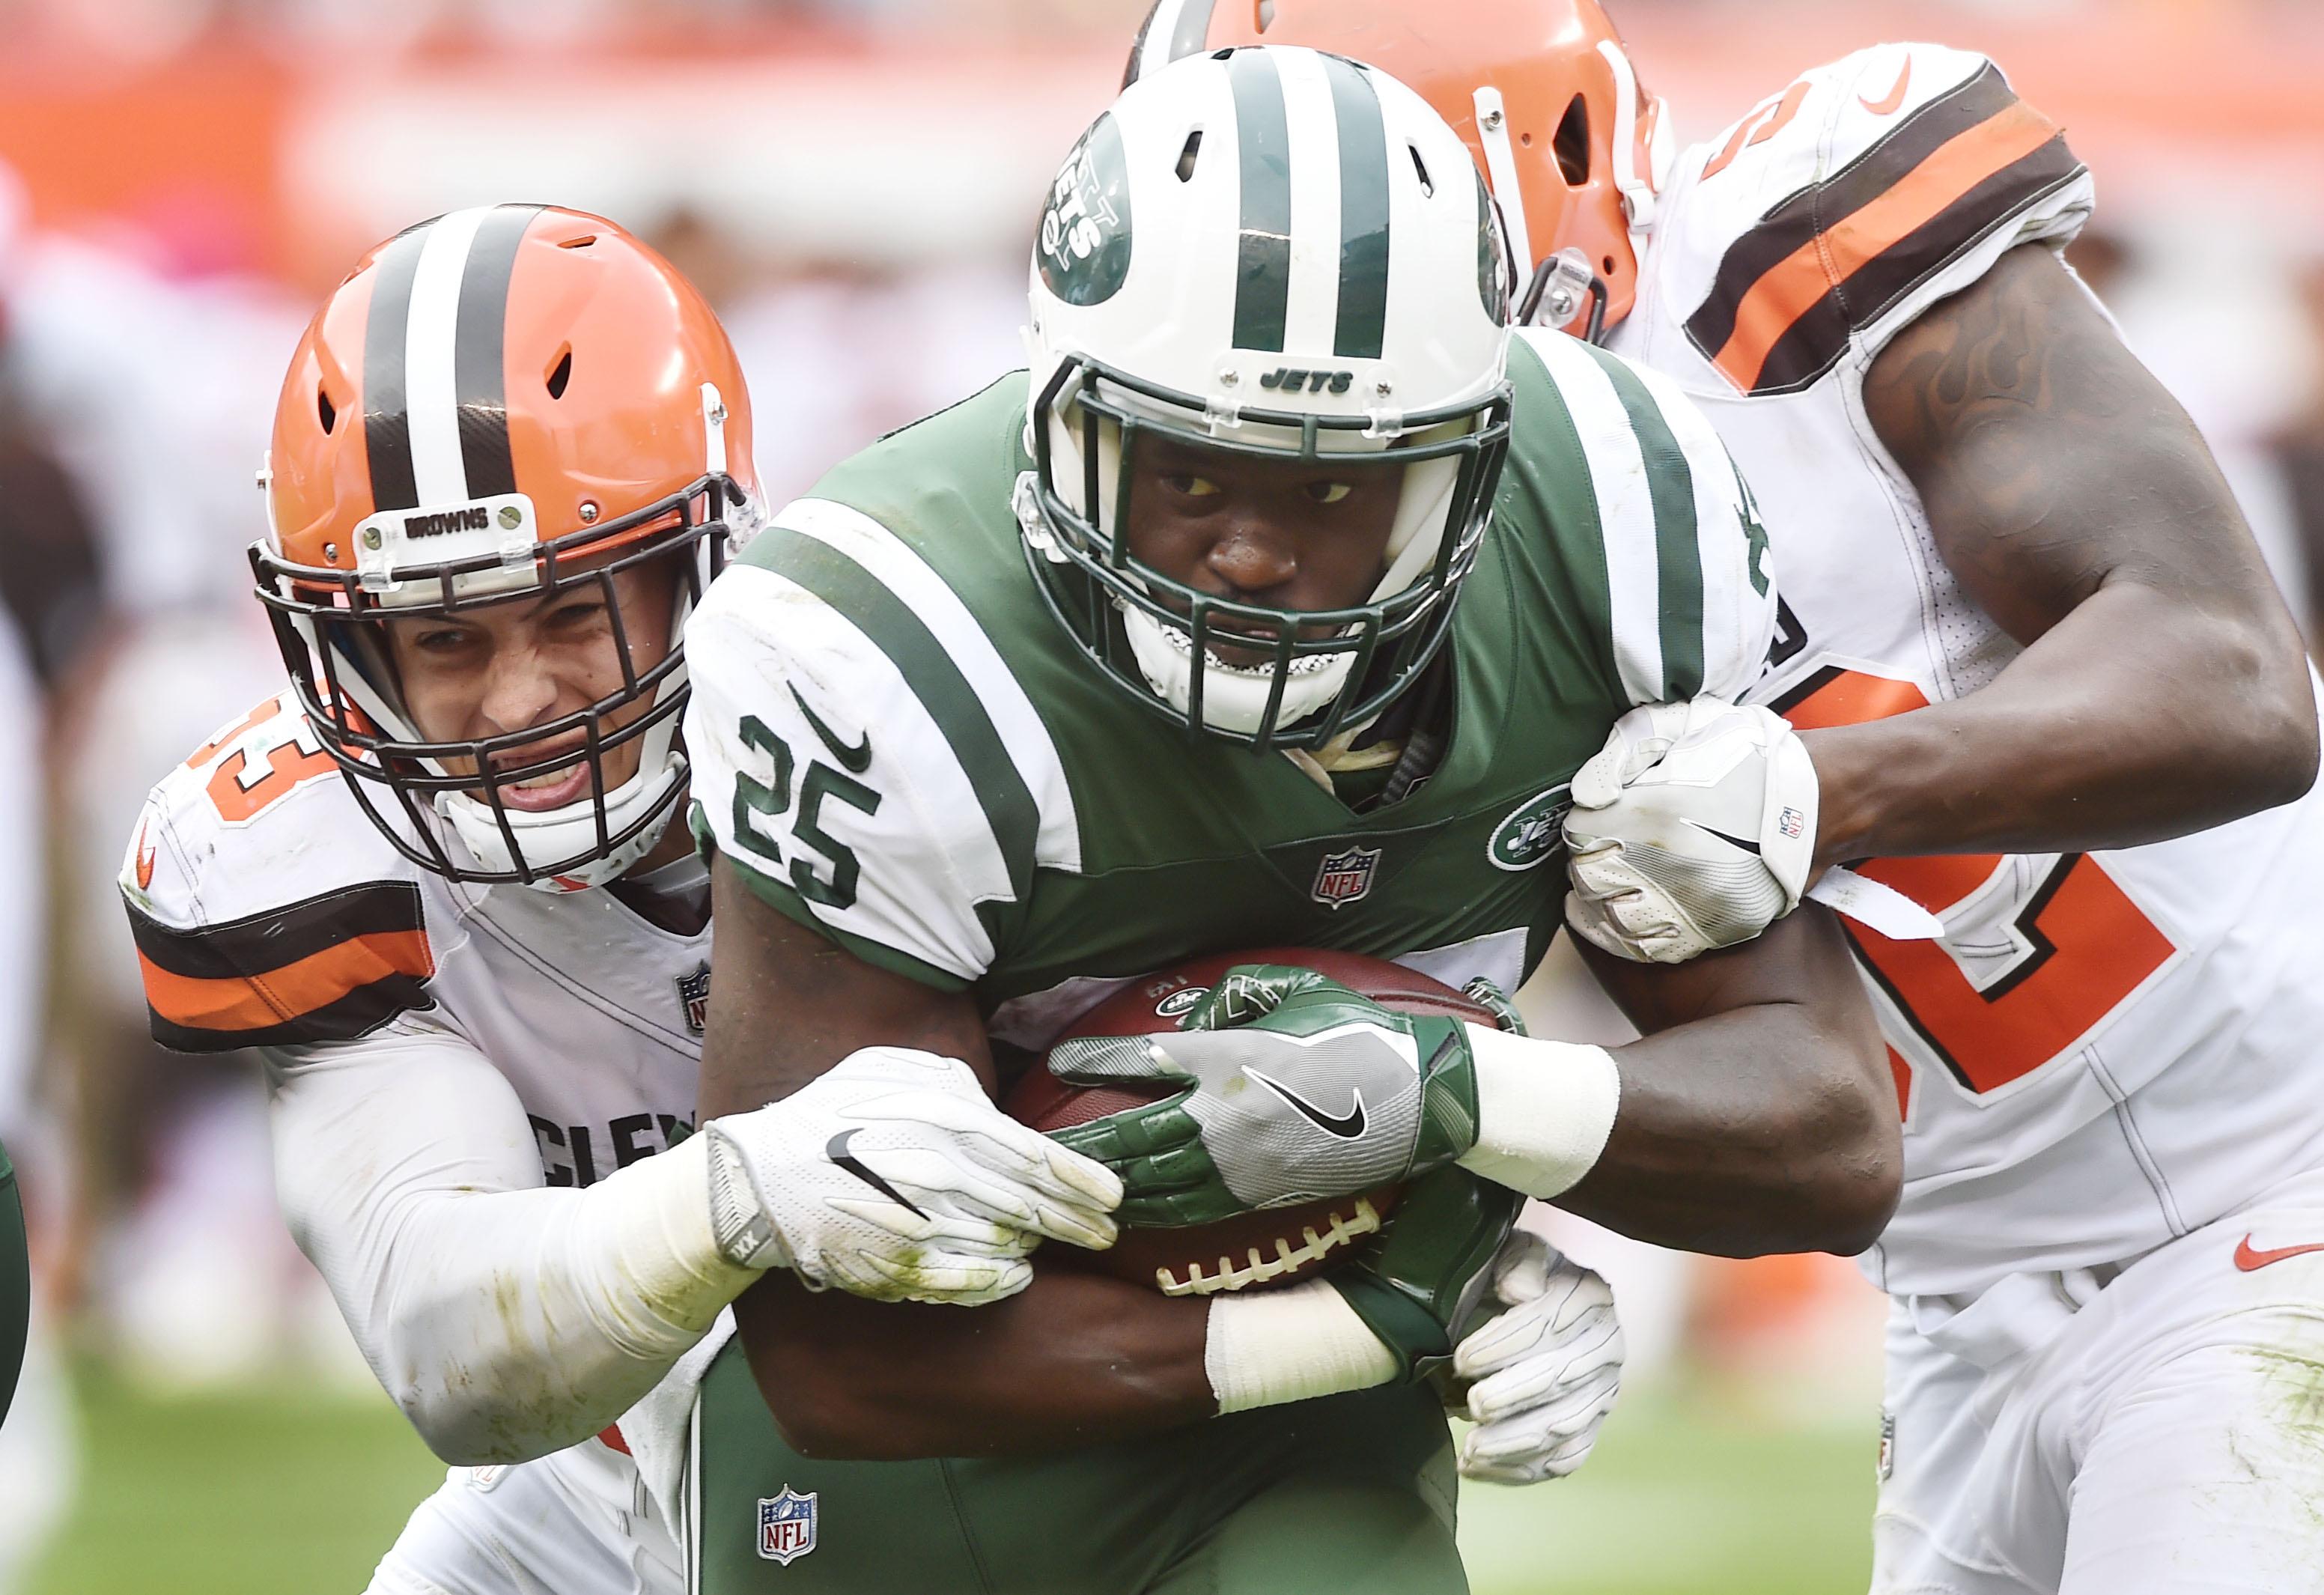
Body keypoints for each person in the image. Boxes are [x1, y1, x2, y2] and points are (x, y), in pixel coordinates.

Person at [1131, 4, 2324, 1591]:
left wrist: (1814, 788)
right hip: (1961, 1298)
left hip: (2279, 1169)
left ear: (1523, 174)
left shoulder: (1793, 250)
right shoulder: (1340, 546)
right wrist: (1476, 1247)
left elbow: (2232, 676)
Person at [674, 46, 1894, 1593]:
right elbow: (832, 1357)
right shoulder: (885, 644)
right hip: (929, 1447)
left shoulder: (1606, 522)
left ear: (1473, 466)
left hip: (1308, 1460)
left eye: (1334, 492)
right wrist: (1381, 1314)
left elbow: (1826, 1139)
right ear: (1062, 427)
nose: (1248, 552)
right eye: (1186, 473)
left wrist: (1458, 1093)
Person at [117, 206, 1125, 1595]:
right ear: (349, 651)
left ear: (700, 571)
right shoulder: (311, 854)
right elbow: (450, 1344)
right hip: (591, 1483)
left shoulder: (903, 729)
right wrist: (735, 1199)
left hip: (993, 1454)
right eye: (446, 637)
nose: (518, 699)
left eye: (573, 615)